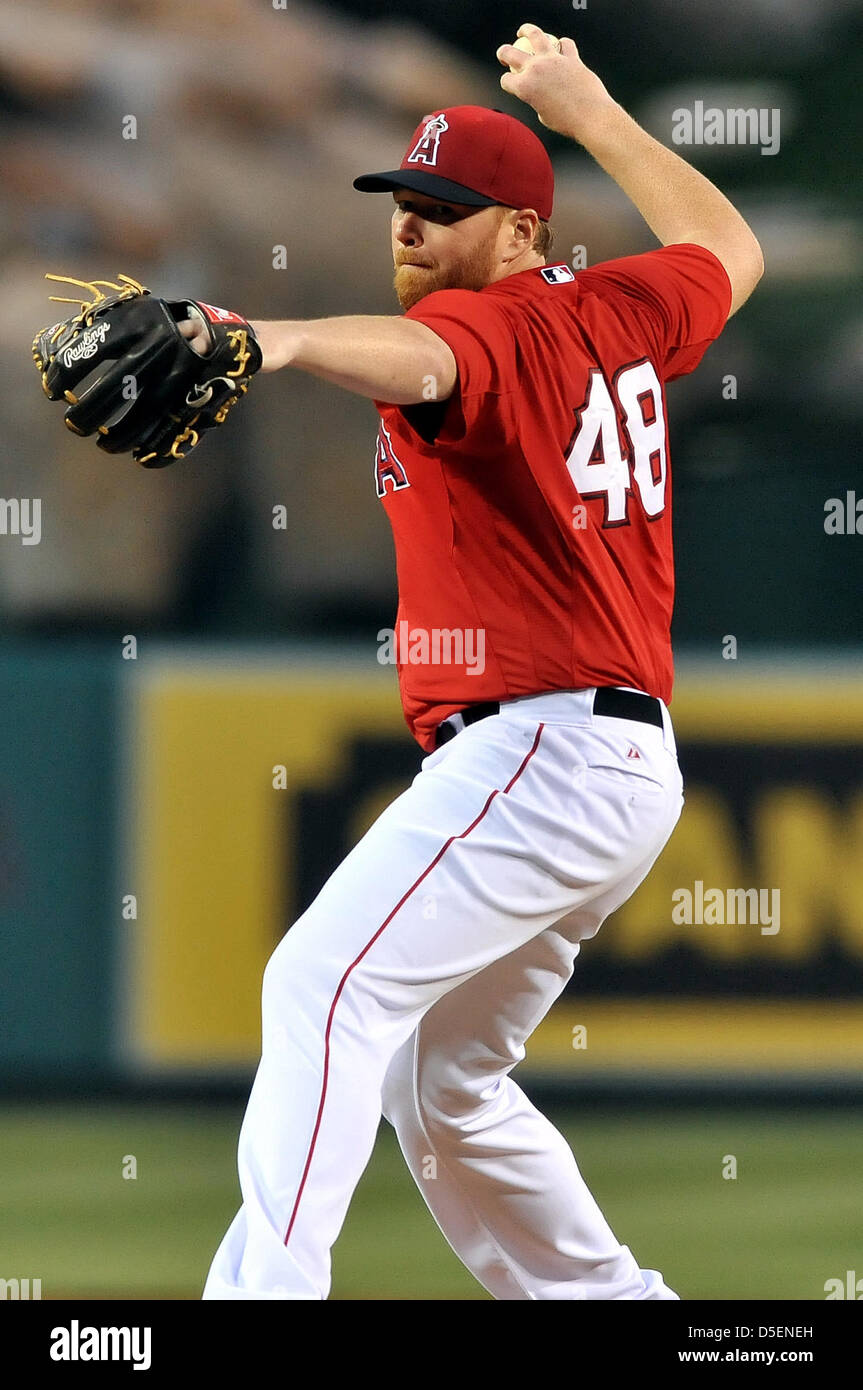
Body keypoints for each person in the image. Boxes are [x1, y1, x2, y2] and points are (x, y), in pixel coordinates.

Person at [199, 23, 763, 1300]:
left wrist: (273, 338)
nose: (410, 227)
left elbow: (433, 358)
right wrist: (595, 110)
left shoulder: (489, 322)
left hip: (542, 746)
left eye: (444, 209)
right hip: (606, 759)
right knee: (434, 1076)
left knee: (321, 984)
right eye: (403, 203)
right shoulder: (622, 304)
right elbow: (728, 249)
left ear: (519, 233)